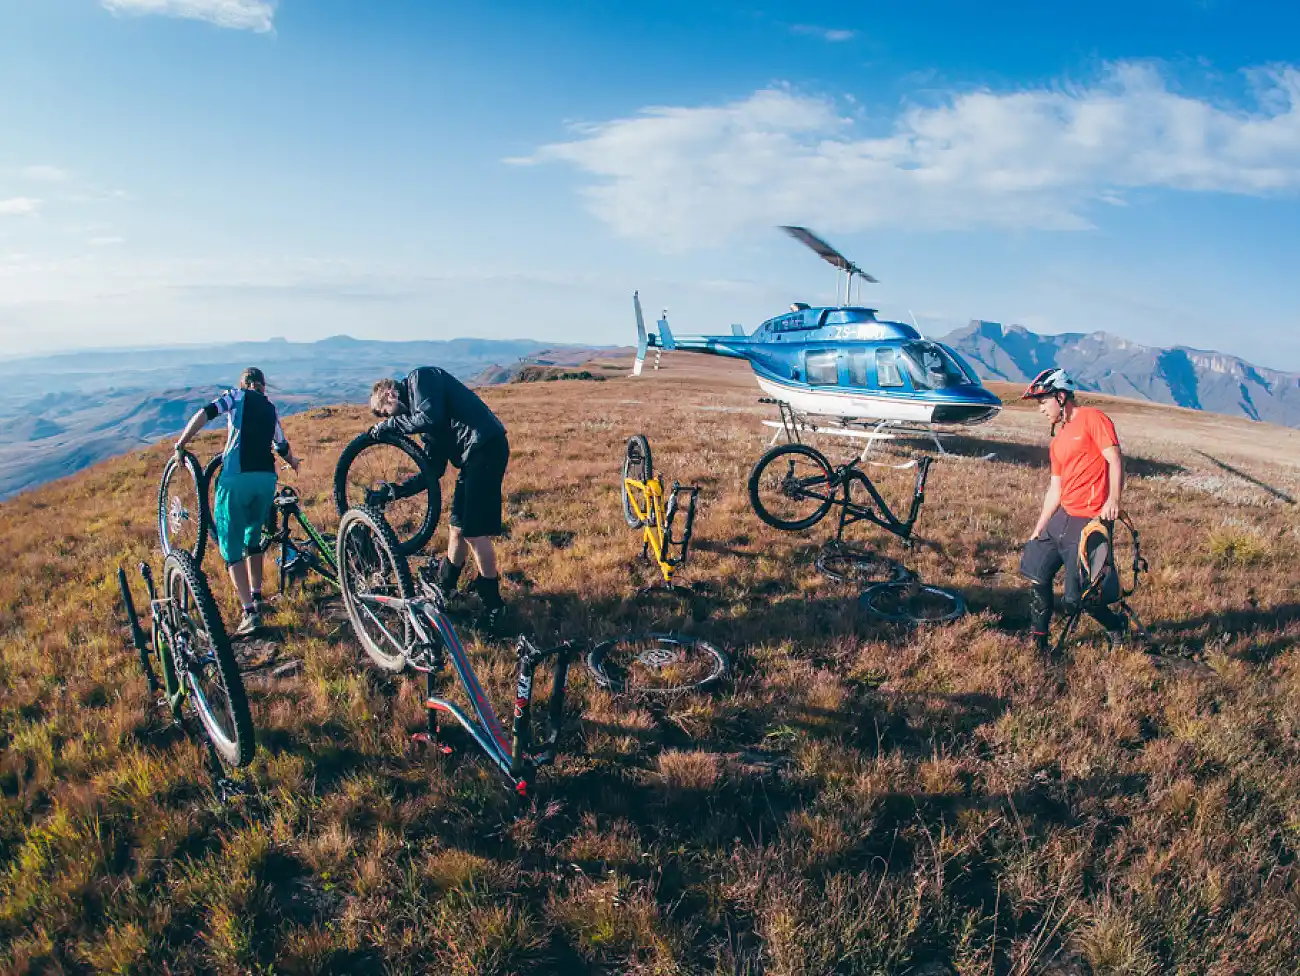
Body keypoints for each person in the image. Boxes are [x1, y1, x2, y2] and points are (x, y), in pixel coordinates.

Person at [369, 367, 510, 629]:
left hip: (486, 448)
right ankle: (446, 587)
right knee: (456, 529)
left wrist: (389, 426)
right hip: (473, 457)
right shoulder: (422, 418)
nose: (393, 418)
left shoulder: (421, 378)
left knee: (474, 533)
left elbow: (429, 418)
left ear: (389, 393)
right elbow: (432, 471)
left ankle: (494, 606)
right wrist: (396, 491)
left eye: (388, 412)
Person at [174, 367, 301, 636]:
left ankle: (249, 613)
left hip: (236, 479)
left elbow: (205, 413)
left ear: (244, 384)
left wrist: (181, 443)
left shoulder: (235, 396)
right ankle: (257, 596)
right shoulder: (270, 407)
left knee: (231, 547)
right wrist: (293, 462)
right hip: (266, 480)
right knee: (252, 539)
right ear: (263, 386)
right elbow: (281, 445)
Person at [1018, 368, 1129, 652]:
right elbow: (1055, 488)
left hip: (1090, 519)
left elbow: (1114, 459)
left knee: (1078, 598)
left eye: (1044, 401)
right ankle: (1039, 642)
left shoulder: (1093, 418)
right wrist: (1039, 527)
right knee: (1036, 572)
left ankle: (1116, 626)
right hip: (1063, 517)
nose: (1041, 408)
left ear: (1061, 396)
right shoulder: (1058, 440)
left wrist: (1113, 500)